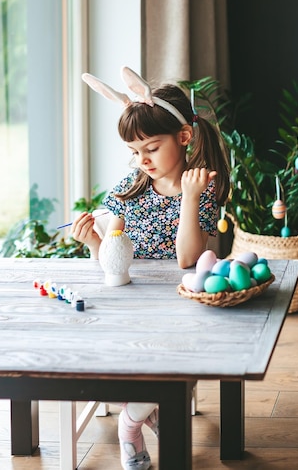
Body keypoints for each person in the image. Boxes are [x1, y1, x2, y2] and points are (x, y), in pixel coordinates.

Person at [71, 66, 230, 470]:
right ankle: (148, 411)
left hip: (177, 307)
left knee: (165, 363)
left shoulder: (201, 186)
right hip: (130, 301)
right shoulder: (132, 186)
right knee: (98, 352)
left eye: (151, 149)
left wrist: (190, 200)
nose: (142, 160)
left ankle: (130, 425)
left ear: (183, 137)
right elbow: (112, 255)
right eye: (133, 152)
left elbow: (186, 260)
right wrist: (93, 238)